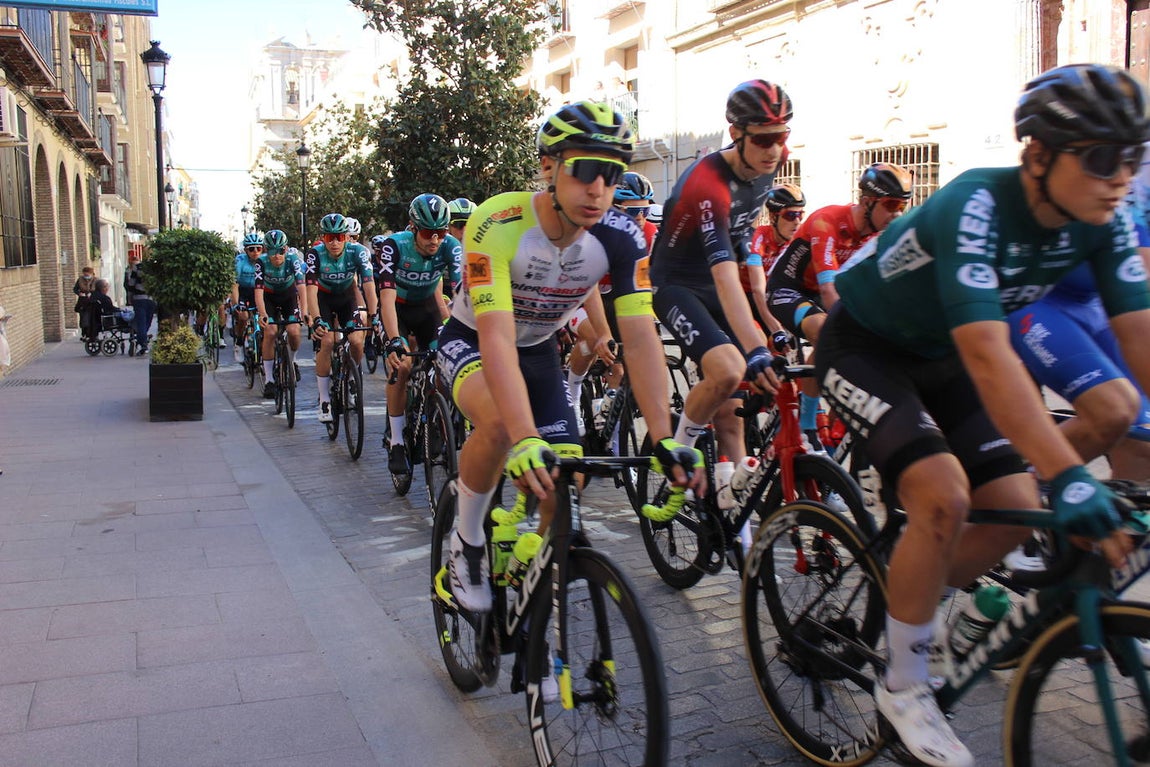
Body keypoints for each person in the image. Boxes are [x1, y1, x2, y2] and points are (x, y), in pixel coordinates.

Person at [814, 64, 1150, 766]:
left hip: (939, 354)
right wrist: (1069, 473)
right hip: (866, 344)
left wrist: (1055, 475)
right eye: (1099, 157)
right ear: (1038, 154)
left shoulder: (1103, 219)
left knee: (1008, 508)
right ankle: (904, 684)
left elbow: (1141, 338)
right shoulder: (975, 203)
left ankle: (911, 604)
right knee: (943, 494)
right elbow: (991, 356)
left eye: (1133, 158)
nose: (1119, 176)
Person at [436, 100, 703, 612]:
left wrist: (664, 439)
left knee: (568, 478)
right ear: (549, 168)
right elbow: (495, 339)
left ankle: (527, 575)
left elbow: (642, 336)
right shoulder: (497, 223)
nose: (598, 189)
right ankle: (466, 542)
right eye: (584, 171)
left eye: (611, 174)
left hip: (535, 350)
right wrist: (525, 436)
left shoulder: (624, 238)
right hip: (472, 339)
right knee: (498, 425)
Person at [649, 79, 788, 540]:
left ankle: (741, 540)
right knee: (731, 369)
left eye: (783, 136)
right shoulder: (709, 183)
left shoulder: (765, 173)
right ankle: (678, 461)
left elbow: (743, 249)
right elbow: (726, 274)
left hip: (717, 278)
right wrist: (753, 348)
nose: (775, 149)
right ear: (736, 132)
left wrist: (766, 328)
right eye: (765, 139)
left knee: (734, 414)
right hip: (677, 283)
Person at [768, 164, 912, 446]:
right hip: (787, 289)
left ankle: (836, 424)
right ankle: (808, 424)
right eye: (892, 204)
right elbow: (828, 288)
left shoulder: (878, 236)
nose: (897, 214)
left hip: (823, 294)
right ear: (868, 201)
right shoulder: (828, 220)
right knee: (827, 330)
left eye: (903, 207)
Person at [378, 193, 462, 473]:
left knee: (445, 362)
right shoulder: (394, 246)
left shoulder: (451, 246)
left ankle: (435, 419)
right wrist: (392, 340)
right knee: (402, 367)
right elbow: (386, 297)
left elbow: (464, 292)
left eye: (440, 232)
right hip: (398, 310)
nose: (435, 240)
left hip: (427, 308)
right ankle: (398, 440)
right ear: (413, 228)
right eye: (428, 233)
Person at [306, 213, 379, 423]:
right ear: (323, 238)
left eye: (340, 237)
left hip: (347, 297)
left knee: (357, 341)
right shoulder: (315, 254)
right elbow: (310, 290)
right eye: (330, 238)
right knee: (327, 341)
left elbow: (368, 284)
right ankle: (324, 398)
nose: (335, 242)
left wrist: (373, 315)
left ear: (347, 237)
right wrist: (316, 318)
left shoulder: (358, 252)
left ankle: (353, 377)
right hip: (324, 298)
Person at [253, 229, 308, 398]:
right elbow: (258, 292)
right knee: (270, 332)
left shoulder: (293, 259)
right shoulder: (261, 262)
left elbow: (301, 287)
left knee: (293, 331)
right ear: (265, 250)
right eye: (272, 251)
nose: (277, 256)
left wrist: (304, 311)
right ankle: (269, 379)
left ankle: (292, 361)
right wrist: (262, 314)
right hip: (269, 297)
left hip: (288, 296)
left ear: (286, 249)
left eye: (281, 251)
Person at [231, 232, 264, 360]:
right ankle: (239, 342)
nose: (255, 251)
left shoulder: (265, 260)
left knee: (263, 320)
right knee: (243, 316)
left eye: (258, 248)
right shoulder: (240, 261)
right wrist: (236, 304)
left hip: (258, 290)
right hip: (243, 291)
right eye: (251, 249)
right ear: (246, 250)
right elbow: (234, 284)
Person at [123, 251, 155, 354]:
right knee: (147, 322)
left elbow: (131, 284)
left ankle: (142, 342)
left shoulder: (138, 267)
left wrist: (130, 297)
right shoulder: (156, 269)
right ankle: (143, 340)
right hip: (151, 299)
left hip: (139, 299)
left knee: (141, 321)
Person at [73, 266, 98, 342]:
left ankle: (92, 334)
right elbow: (75, 289)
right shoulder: (80, 280)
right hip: (83, 302)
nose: (86, 276)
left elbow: (98, 290)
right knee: (83, 319)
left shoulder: (96, 280)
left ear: (91, 273)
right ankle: (84, 334)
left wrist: (92, 294)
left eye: (87, 275)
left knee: (92, 319)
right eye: (85, 275)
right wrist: (79, 293)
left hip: (92, 302)